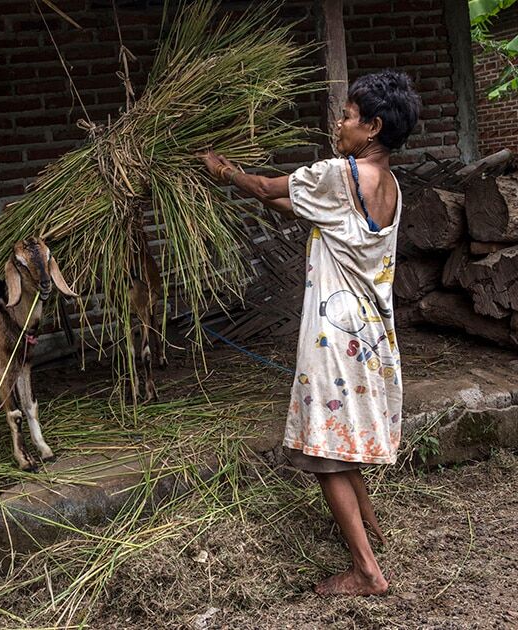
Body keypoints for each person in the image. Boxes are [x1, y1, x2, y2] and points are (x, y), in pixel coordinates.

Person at [201, 70, 420, 596]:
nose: (339, 124)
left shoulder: (338, 173)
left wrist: (225, 172)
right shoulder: (387, 184)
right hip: (368, 336)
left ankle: (366, 571)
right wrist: (256, 192)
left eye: (347, 116)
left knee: (324, 453)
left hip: (333, 338)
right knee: (343, 442)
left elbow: (266, 186)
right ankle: (373, 529)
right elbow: (299, 206)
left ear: (373, 126)